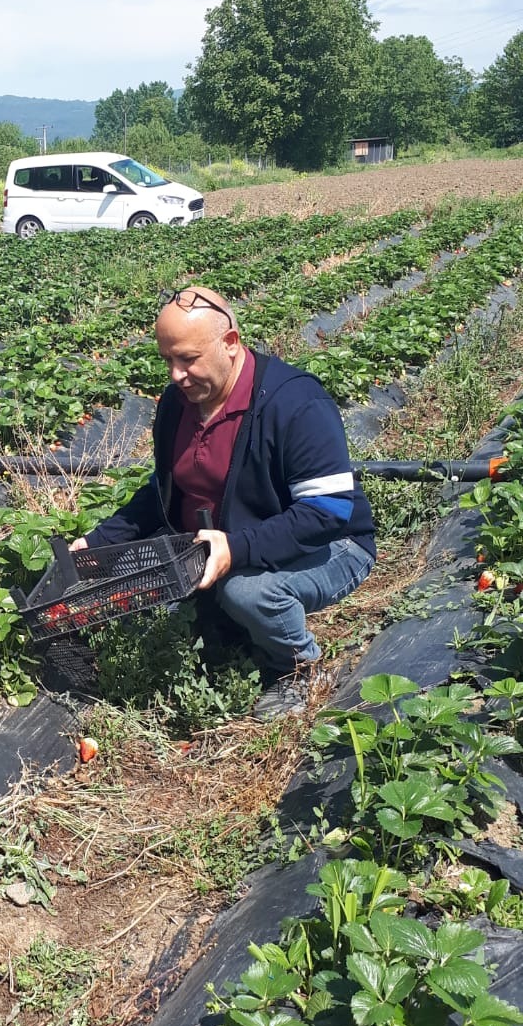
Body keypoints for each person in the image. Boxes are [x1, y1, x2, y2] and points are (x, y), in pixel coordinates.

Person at [72, 286, 375, 718]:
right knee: (143, 590)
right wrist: (99, 542)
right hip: (230, 536)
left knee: (247, 591)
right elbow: (163, 490)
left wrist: (235, 549)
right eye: (168, 360)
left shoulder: (296, 403)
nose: (176, 374)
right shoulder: (179, 405)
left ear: (230, 344)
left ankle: (298, 669)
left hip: (333, 546)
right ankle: (231, 626)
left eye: (188, 359)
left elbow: (326, 514)